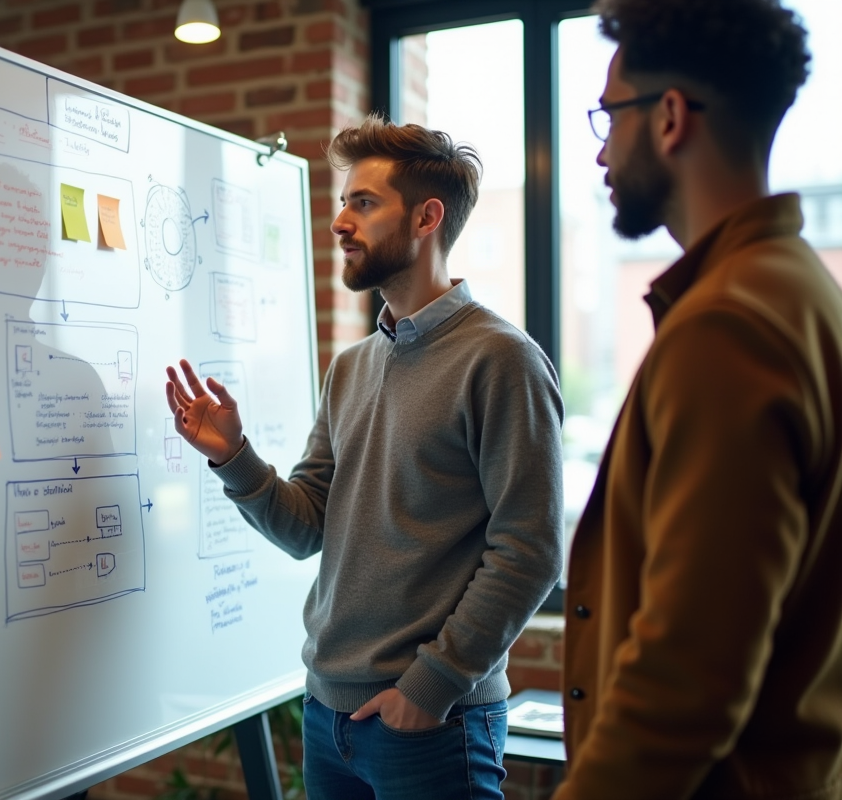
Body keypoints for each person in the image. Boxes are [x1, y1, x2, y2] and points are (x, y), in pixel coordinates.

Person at [165, 115, 565, 799]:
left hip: (431, 726)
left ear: (425, 217)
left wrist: (430, 687)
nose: (340, 223)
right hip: (327, 717)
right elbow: (306, 528)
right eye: (343, 203)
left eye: (364, 203)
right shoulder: (351, 367)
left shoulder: (502, 359)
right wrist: (234, 456)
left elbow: (529, 549)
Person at [556, 1, 842, 798]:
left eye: (610, 116)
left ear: (671, 117)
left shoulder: (727, 325)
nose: (603, 149)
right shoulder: (801, 291)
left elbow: (685, 687)